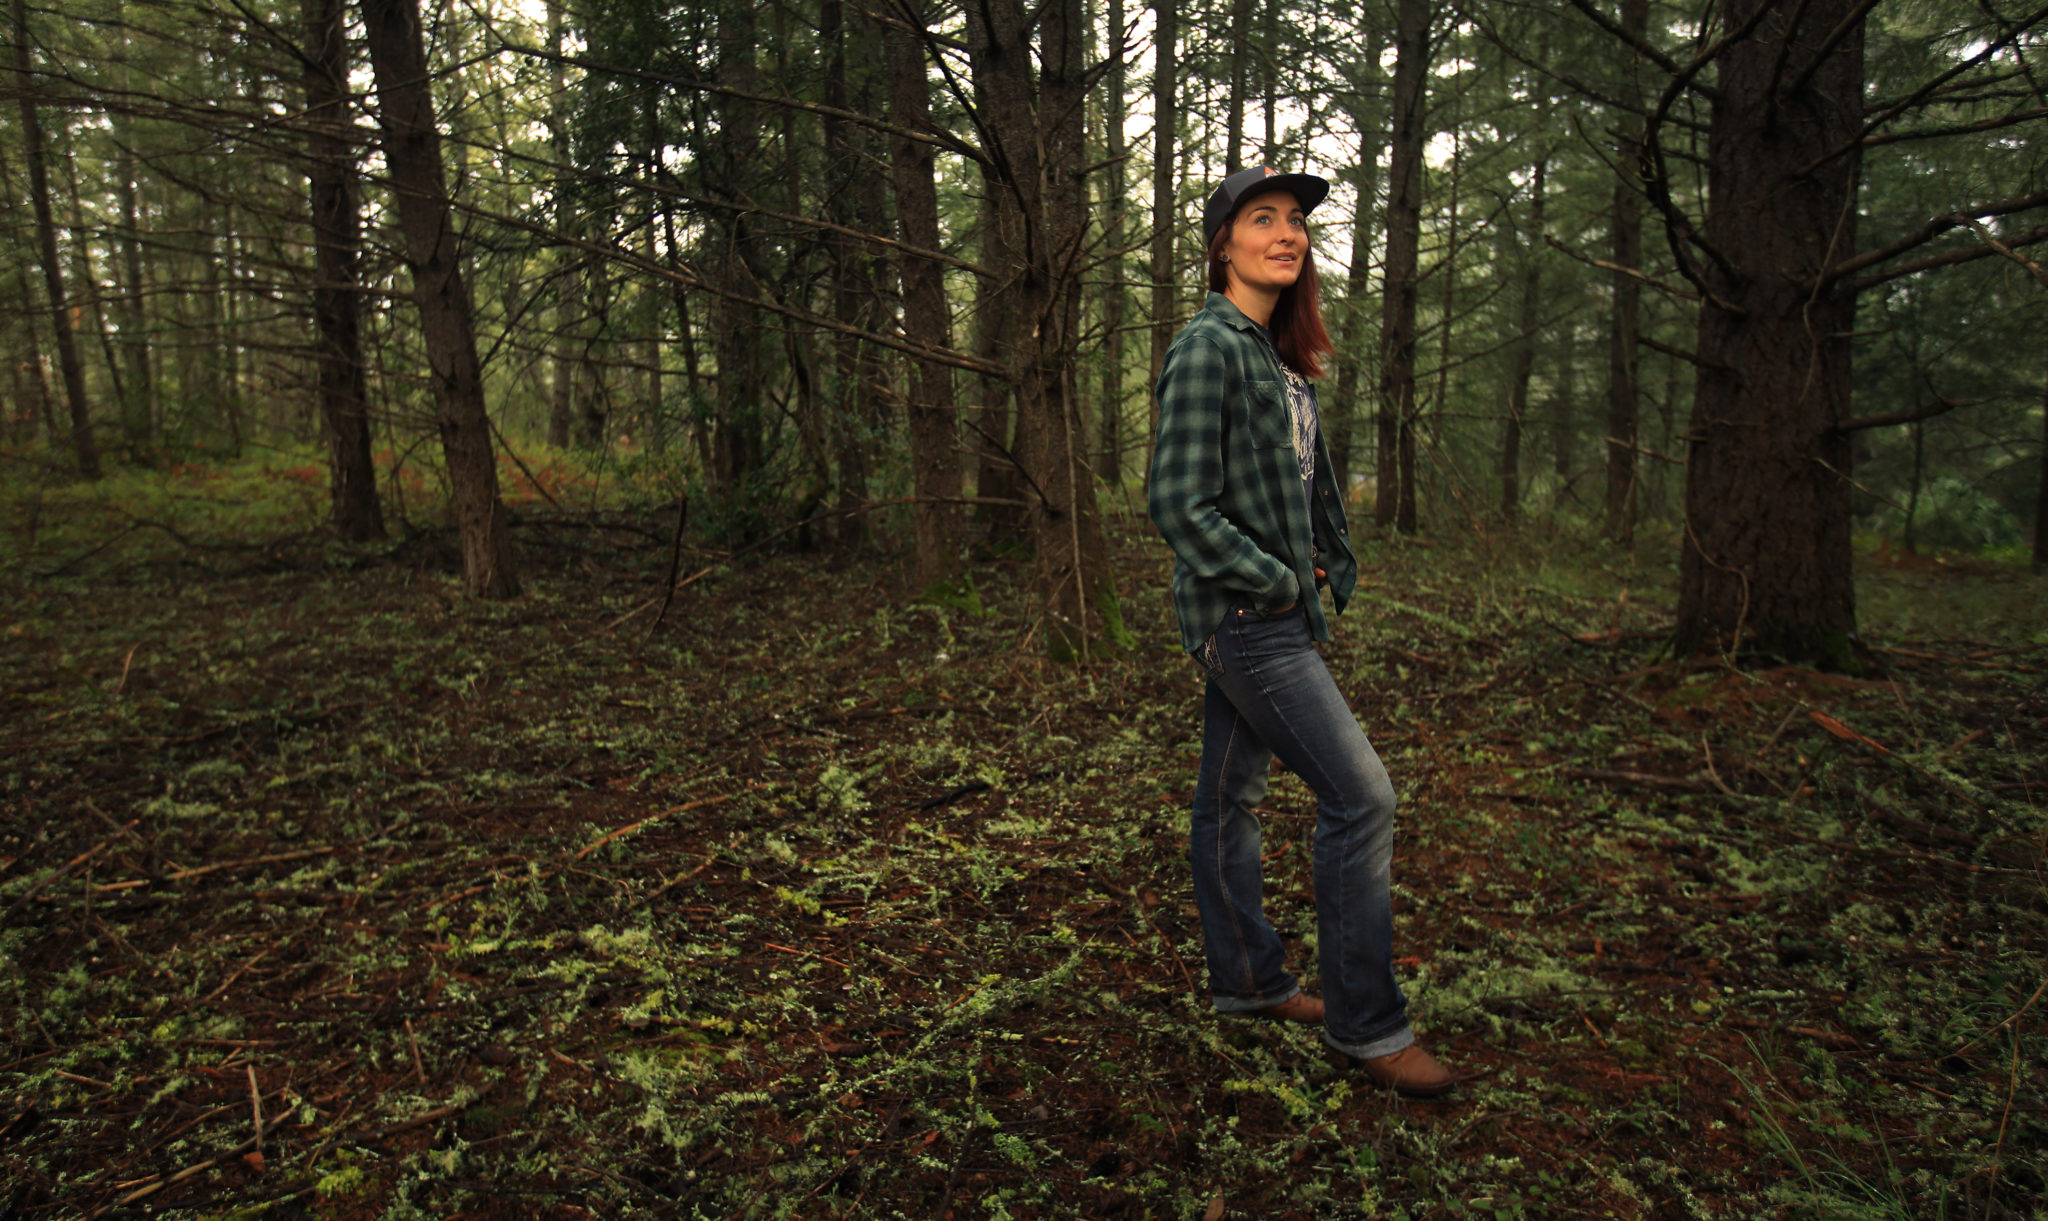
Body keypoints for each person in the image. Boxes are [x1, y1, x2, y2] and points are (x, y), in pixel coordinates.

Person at [1147, 165, 1456, 1098]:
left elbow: (1300, 493)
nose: (1285, 233)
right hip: (1246, 621)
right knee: (1363, 798)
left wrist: (1328, 565)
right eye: (1262, 218)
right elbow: (1176, 503)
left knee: (1226, 798)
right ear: (1223, 243)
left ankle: (1248, 982)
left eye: (1295, 222)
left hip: (1267, 613)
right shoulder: (1209, 346)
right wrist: (1277, 578)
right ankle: (1369, 1025)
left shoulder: (1273, 356)